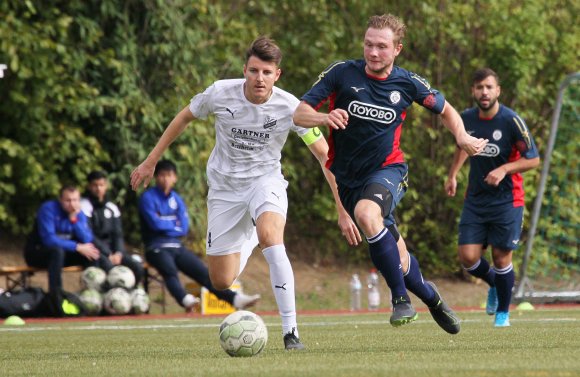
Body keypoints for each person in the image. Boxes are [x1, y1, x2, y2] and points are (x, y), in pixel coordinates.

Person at [131, 36, 357, 350]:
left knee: (271, 234)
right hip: (224, 190)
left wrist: (342, 207)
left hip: (265, 182)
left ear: (277, 75)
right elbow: (184, 117)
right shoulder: (220, 93)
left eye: (267, 72)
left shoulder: (291, 107)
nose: (259, 78)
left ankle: (291, 332)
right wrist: (151, 160)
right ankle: (251, 237)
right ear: (245, 70)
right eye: (254, 71)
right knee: (221, 281)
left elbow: (325, 156)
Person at [293, 13, 488, 334]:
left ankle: (400, 299)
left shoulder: (407, 82)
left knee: (367, 215)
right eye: (369, 45)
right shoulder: (342, 74)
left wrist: (463, 137)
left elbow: (447, 110)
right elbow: (300, 113)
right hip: (348, 179)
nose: (373, 52)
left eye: (381, 47)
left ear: (397, 48)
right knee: (398, 256)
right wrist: (324, 117)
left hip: (389, 170)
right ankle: (431, 297)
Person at [444, 68, 540, 327]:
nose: (484, 92)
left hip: (507, 201)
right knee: (467, 257)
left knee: (500, 258)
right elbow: (464, 146)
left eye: (488, 87)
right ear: (473, 91)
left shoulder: (512, 121)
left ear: (497, 91)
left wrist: (504, 168)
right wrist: (453, 174)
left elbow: (533, 159)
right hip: (475, 199)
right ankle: (495, 285)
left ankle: (502, 314)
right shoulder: (466, 118)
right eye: (479, 87)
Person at [138, 160, 261, 314]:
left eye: (169, 175)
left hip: (177, 246)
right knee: (168, 270)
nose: (165, 179)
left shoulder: (176, 199)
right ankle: (185, 299)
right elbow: (154, 224)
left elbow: (183, 227)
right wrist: (172, 222)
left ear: (175, 178)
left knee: (203, 271)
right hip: (155, 247)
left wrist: (164, 221)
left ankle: (234, 299)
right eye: (162, 175)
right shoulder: (147, 198)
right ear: (156, 178)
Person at [24, 185, 102, 292]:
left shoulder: (78, 213)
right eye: (68, 200)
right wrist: (76, 247)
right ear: (60, 200)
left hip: (64, 254)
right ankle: (56, 294)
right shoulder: (48, 209)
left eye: (75, 200)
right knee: (57, 251)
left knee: (91, 252)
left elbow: (87, 239)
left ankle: (93, 294)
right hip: (38, 253)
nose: (72, 204)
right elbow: (49, 240)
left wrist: (74, 220)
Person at [80, 170, 144, 285]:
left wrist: (118, 252)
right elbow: (89, 236)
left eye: (101, 185)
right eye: (95, 185)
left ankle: (134, 294)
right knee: (112, 271)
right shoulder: (83, 206)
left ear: (106, 186)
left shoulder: (112, 207)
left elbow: (118, 234)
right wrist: (108, 254)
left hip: (114, 251)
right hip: (96, 251)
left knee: (137, 267)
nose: (98, 188)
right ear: (89, 186)